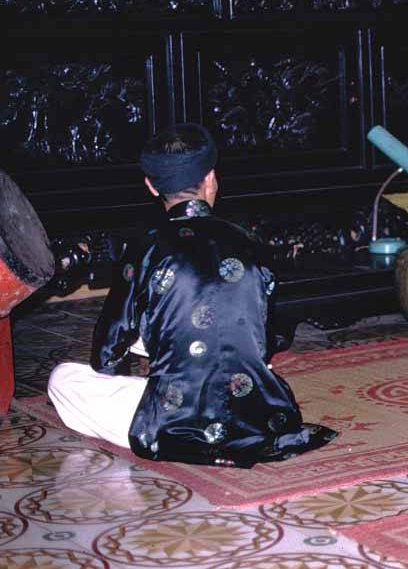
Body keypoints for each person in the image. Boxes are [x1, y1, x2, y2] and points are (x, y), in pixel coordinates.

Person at [48, 124, 337, 468]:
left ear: (152, 186)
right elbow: (271, 335)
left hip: (172, 420)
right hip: (258, 413)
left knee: (63, 378)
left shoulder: (144, 248)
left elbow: (106, 355)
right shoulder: (252, 243)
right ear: (211, 179)